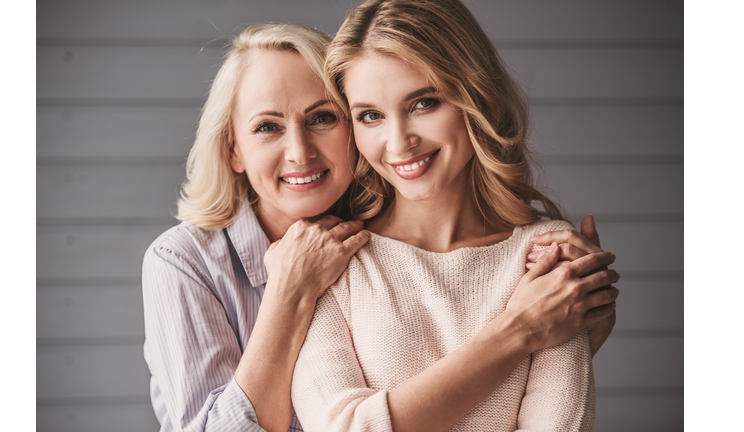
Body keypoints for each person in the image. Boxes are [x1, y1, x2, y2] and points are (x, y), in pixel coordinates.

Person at [142, 21, 617, 432]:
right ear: (232, 150)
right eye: (267, 127)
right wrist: (289, 291)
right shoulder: (185, 261)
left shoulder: (367, 238)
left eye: (323, 117)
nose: (300, 151)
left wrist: (573, 337)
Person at [290, 1, 619, 431]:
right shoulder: (334, 259)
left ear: (475, 95)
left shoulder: (548, 254)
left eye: (424, 103)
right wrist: (518, 329)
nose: (399, 142)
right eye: (370, 116)